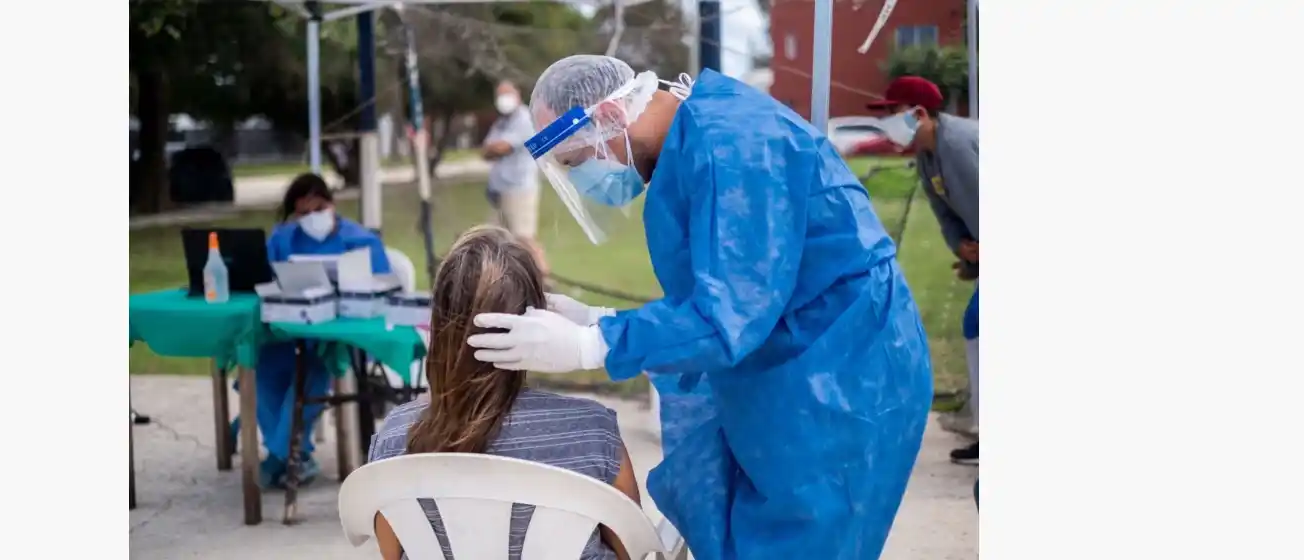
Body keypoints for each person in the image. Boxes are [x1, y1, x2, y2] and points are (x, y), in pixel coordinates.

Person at [465, 54, 933, 559]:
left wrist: (592, 344)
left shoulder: (735, 147)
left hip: (842, 376)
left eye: (578, 162)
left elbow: (727, 317)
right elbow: (727, 293)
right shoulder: (697, 139)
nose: (586, 179)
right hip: (795, 359)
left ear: (612, 116)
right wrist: (603, 320)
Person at [366, 225, 641, 560]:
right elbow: (634, 551)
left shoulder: (395, 440)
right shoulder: (593, 432)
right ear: (540, 320)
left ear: (438, 322)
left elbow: (392, 554)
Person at [243, 173, 393, 488]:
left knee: (310, 373)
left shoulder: (361, 240)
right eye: (304, 212)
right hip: (291, 332)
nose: (313, 217)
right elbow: (262, 281)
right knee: (259, 370)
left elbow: (385, 289)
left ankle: (282, 455)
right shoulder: (283, 239)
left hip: (340, 339)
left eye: (319, 208)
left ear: (332, 204)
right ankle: (295, 454)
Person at [869, 76, 981, 462]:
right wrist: (963, 249)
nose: (887, 119)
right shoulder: (928, 157)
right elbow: (947, 213)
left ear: (919, 114)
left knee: (978, 323)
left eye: (893, 111)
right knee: (976, 324)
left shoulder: (957, 144)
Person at [481, 80, 548, 273]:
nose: (503, 99)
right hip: (500, 191)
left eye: (507, 94)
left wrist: (495, 148)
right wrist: (494, 149)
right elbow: (485, 151)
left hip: (519, 190)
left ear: (517, 95)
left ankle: (545, 280)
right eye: (500, 95)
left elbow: (503, 147)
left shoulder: (524, 119)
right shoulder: (502, 123)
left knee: (524, 238)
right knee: (495, 239)